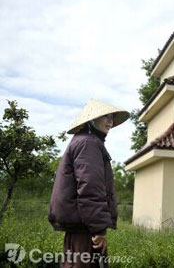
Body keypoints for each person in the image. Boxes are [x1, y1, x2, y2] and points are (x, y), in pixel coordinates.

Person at [48, 99, 129, 268]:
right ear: (91, 120)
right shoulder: (89, 143)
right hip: (85, 230)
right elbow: (90, 187)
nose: (110, 121)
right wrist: (98, 229)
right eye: (105, 116)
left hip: (81, 227)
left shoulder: (83, 141)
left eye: (112, 117)